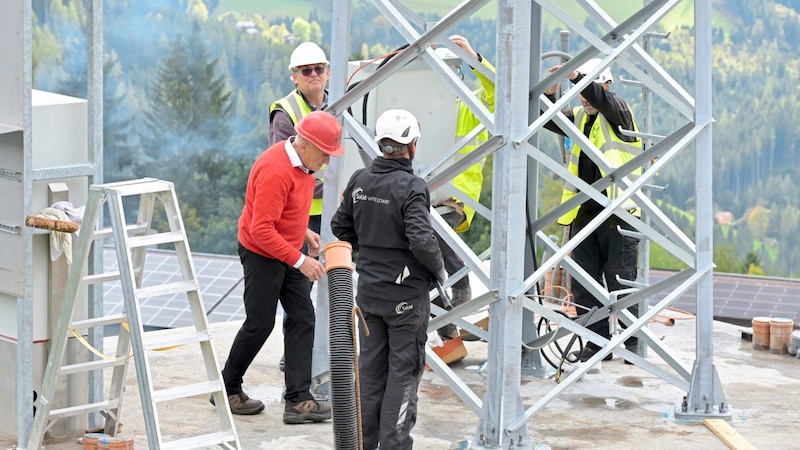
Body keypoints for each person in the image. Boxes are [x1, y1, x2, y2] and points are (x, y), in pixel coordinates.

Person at [215, 111, 343, 422]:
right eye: (325, 154)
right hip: (261, 253)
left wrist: (303, 233)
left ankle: (298, 400)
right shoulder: (276, 170)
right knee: (260, 324)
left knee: (302, 316)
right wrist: (300, 261)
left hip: (287, 247)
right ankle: (227, 387)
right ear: (306, 145)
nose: (327, 161)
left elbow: (285, 212)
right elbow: (261, 230)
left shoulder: (303, 164)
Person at [331, 109, 446, 450]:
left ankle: (364, 443)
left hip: (369, 296)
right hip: (406, 299)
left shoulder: (360, 180)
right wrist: (438, 269)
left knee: (370, 373)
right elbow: (421, 240)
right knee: (403, 374)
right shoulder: (411, 186)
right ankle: (393, 446)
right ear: (411, 145)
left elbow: (341, 228)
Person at [542, 58, 642, 363]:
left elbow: (602, 100)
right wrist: (549, 92)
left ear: (606, 86)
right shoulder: (583, 119)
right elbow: (550, 119)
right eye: (582, 94)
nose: (584, 99)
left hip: (617, 213)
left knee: (620, 280)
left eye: (589, 91)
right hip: (586, 213)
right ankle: (595, 341)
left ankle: (631, 342)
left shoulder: (619, 112)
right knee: (585, 281)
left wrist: (575, 76)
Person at [270, 41, 331, 371]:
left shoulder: (340, 104)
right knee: (299, 290)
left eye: (318, 69)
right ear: (294, 76)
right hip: (302, 218)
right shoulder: (286, 111)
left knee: (337, 283)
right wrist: (335, 188)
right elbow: (286, 163)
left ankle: (325, 346)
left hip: (335, 213)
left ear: (328, 72)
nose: (313, 75)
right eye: (306, 71)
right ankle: (293, 356)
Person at [431, 35, 495, 340]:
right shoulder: (427, 110)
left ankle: (460, 284)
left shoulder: (471, 106)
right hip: (427, 196)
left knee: (428, 233)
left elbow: (497, 92)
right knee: (419, 251)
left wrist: (472, 56)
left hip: (456, 199)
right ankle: (448, 328)